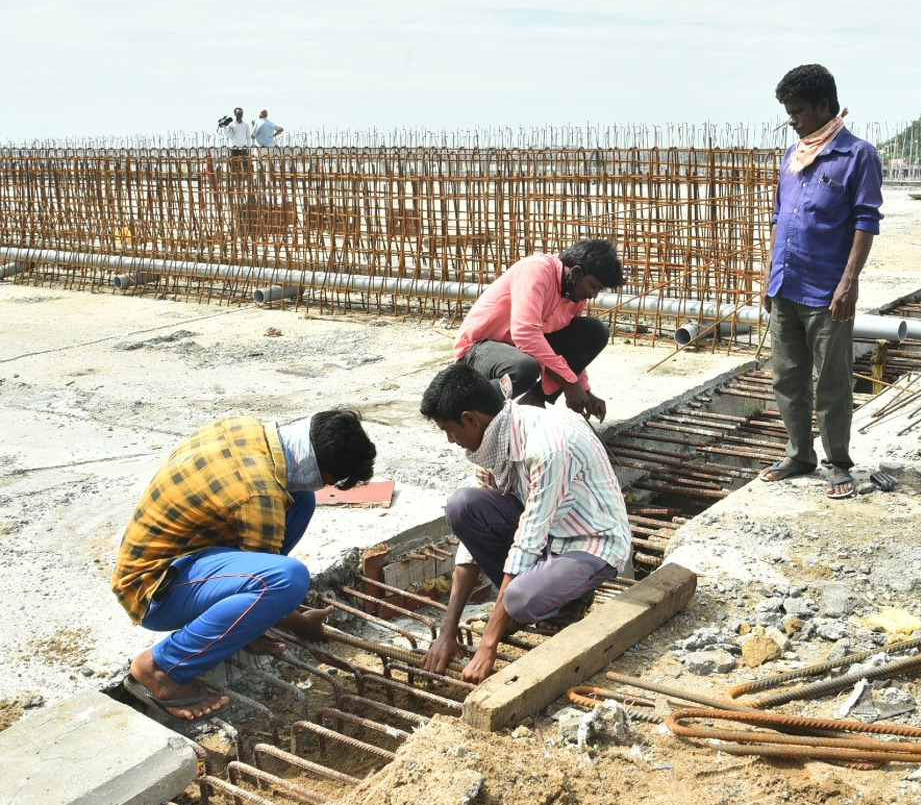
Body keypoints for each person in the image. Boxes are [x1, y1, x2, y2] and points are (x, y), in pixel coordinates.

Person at [112, 410, 376, 720]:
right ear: (320, 467)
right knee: (288, 578)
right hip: (152, 591)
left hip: (179, 558)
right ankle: (161, 667)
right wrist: (298, 622)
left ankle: (247, 624)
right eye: (329, 480)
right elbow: (270, 580)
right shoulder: (260, 494)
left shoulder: (249, 428)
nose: (323, 486)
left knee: (301, 500)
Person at [418, 364, 630, 683]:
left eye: (449, 430)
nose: (450, 440)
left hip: (590, 543)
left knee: (519, 599)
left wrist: (488, 646)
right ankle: (535, 600)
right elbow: (472, 543)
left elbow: (527, 542)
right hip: (547, 535)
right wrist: (446, 632)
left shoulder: (548, 446)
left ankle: (567, 598)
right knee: (462, 505)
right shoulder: (496, 438)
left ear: (470, 420)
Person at [758, 64, 883, 499]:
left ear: (823, 107)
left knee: (831, 383)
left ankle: (837, 462)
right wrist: (768, 273)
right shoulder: (793, 158)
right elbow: (778, 217)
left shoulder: (857, 156)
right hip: (785, 285)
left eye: (797, 111)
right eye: (789, 112)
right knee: (787, 378)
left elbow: (866, 223)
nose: (792, 120)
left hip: (828, 291)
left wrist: (848, 283)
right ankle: (799, 454)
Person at [453, 239, 625, 422]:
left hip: (519, 351)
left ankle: (535, 399)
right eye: (593, 287)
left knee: (595, 332)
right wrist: (569, 384)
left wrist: (584, 390)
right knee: (524, 368)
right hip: (479, 350)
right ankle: (473, 415)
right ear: (575, 273)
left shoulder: (575, 295)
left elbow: (572, 350)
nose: (593, 295)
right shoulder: (536, 270)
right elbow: (525, 334)